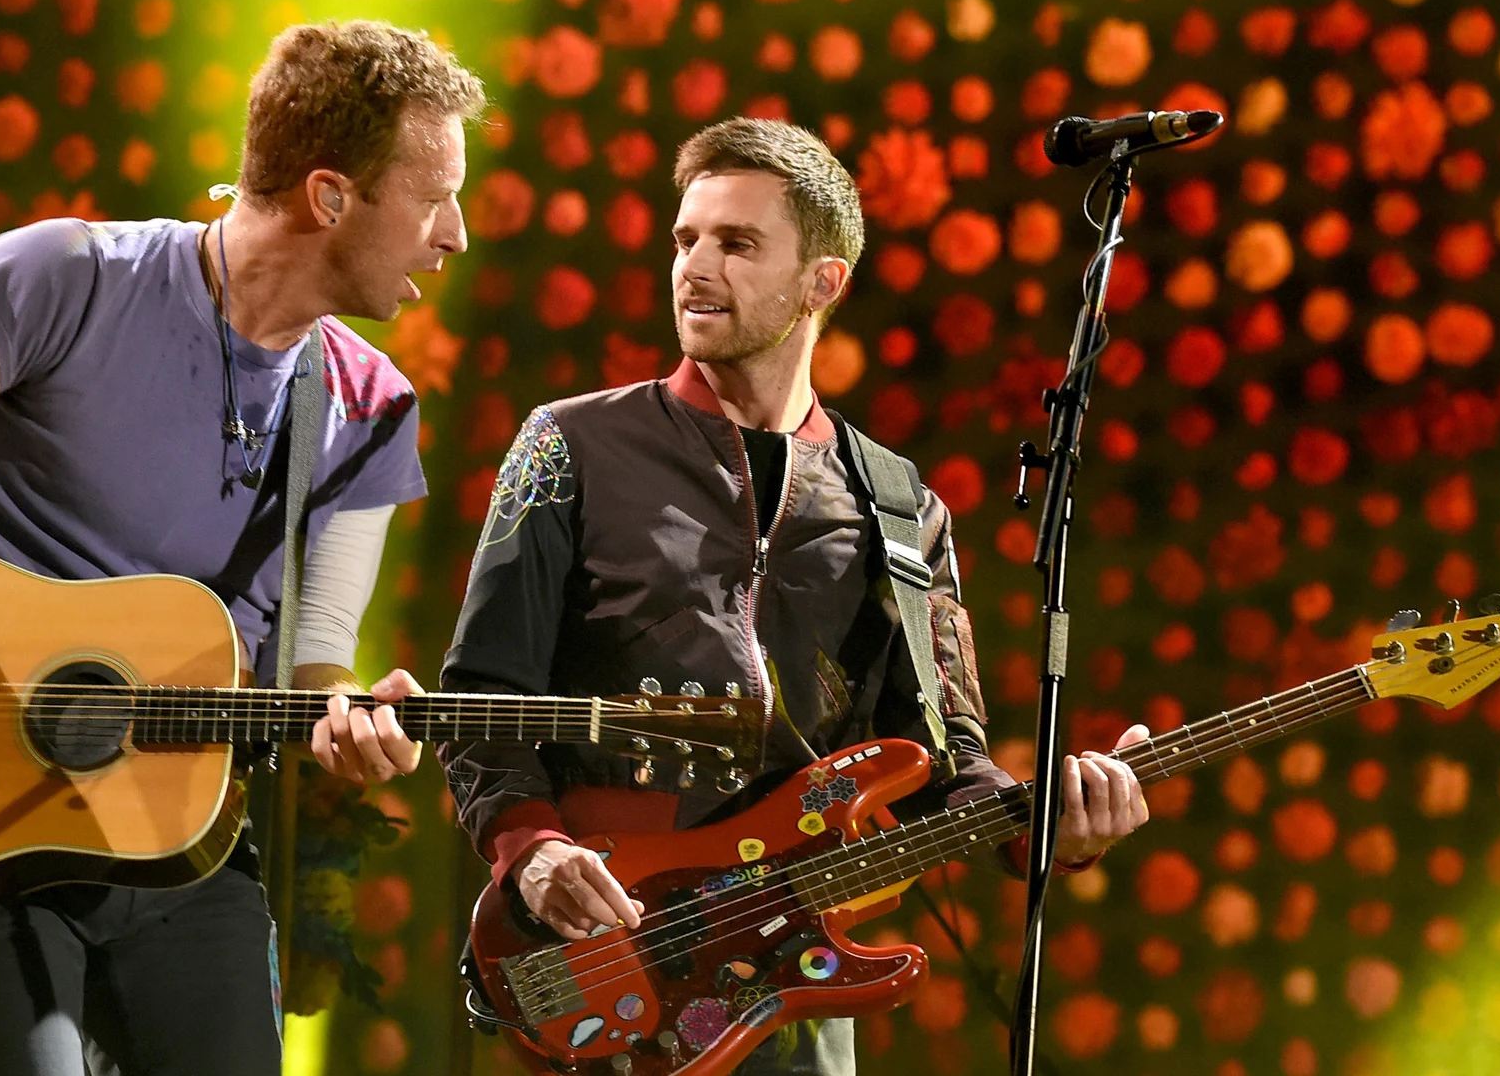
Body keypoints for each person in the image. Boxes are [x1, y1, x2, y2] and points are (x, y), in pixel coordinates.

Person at [0, 21, 482, 1076]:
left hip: (180, 841)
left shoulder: (372, 406)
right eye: (434, 196)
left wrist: (346, 718)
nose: (455, 234)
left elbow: (313, 662)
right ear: (330, 196)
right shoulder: (68, 277)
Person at [436, 118, 1152, 1074]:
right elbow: (481, 694)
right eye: (686, 238)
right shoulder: (569, 444)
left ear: (823, 282)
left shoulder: (902, 506)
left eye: (736, 244)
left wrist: (1051, 826)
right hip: (597, 952)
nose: (695, 268)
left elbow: (946, 756)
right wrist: (530, 850)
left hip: (793, 982)